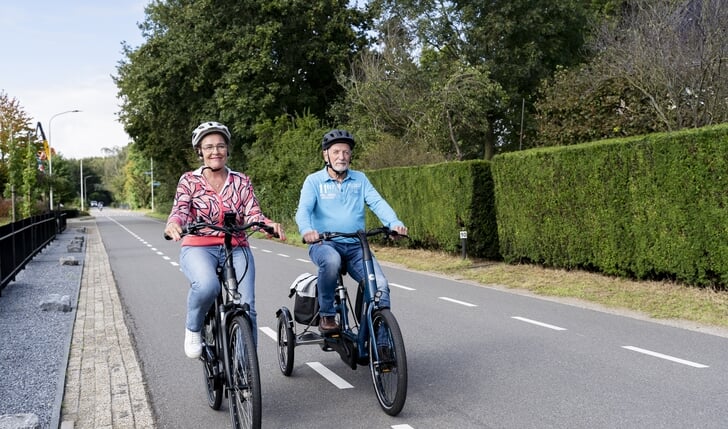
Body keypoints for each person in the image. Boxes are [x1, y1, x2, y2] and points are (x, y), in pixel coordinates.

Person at [164, 121, 286, 358]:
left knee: (246, 306)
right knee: (207, 286)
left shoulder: (241, 181)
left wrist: (267, 225)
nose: (215, 151)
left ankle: (245, 370)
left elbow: (253, 212)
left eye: (220, 146)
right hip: (199, 246)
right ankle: (193, 328)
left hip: (236, 247)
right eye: (208, 146)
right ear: (200, 151)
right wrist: (174, 224)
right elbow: (179, 209)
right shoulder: (189, 180)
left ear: (228, 149)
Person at [296, 129, 407, 334]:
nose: (342, 157)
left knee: (380, 285)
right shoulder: (314, 181)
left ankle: (381, 345)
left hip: (357, 246)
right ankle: (327, 315)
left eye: (346, 152)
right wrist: (307, 230)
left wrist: (394, 223)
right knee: (331, 261)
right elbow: (303, 210)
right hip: (325, 244)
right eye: (336, 151)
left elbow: (377, 203)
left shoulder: (360, 179)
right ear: (325, 155)